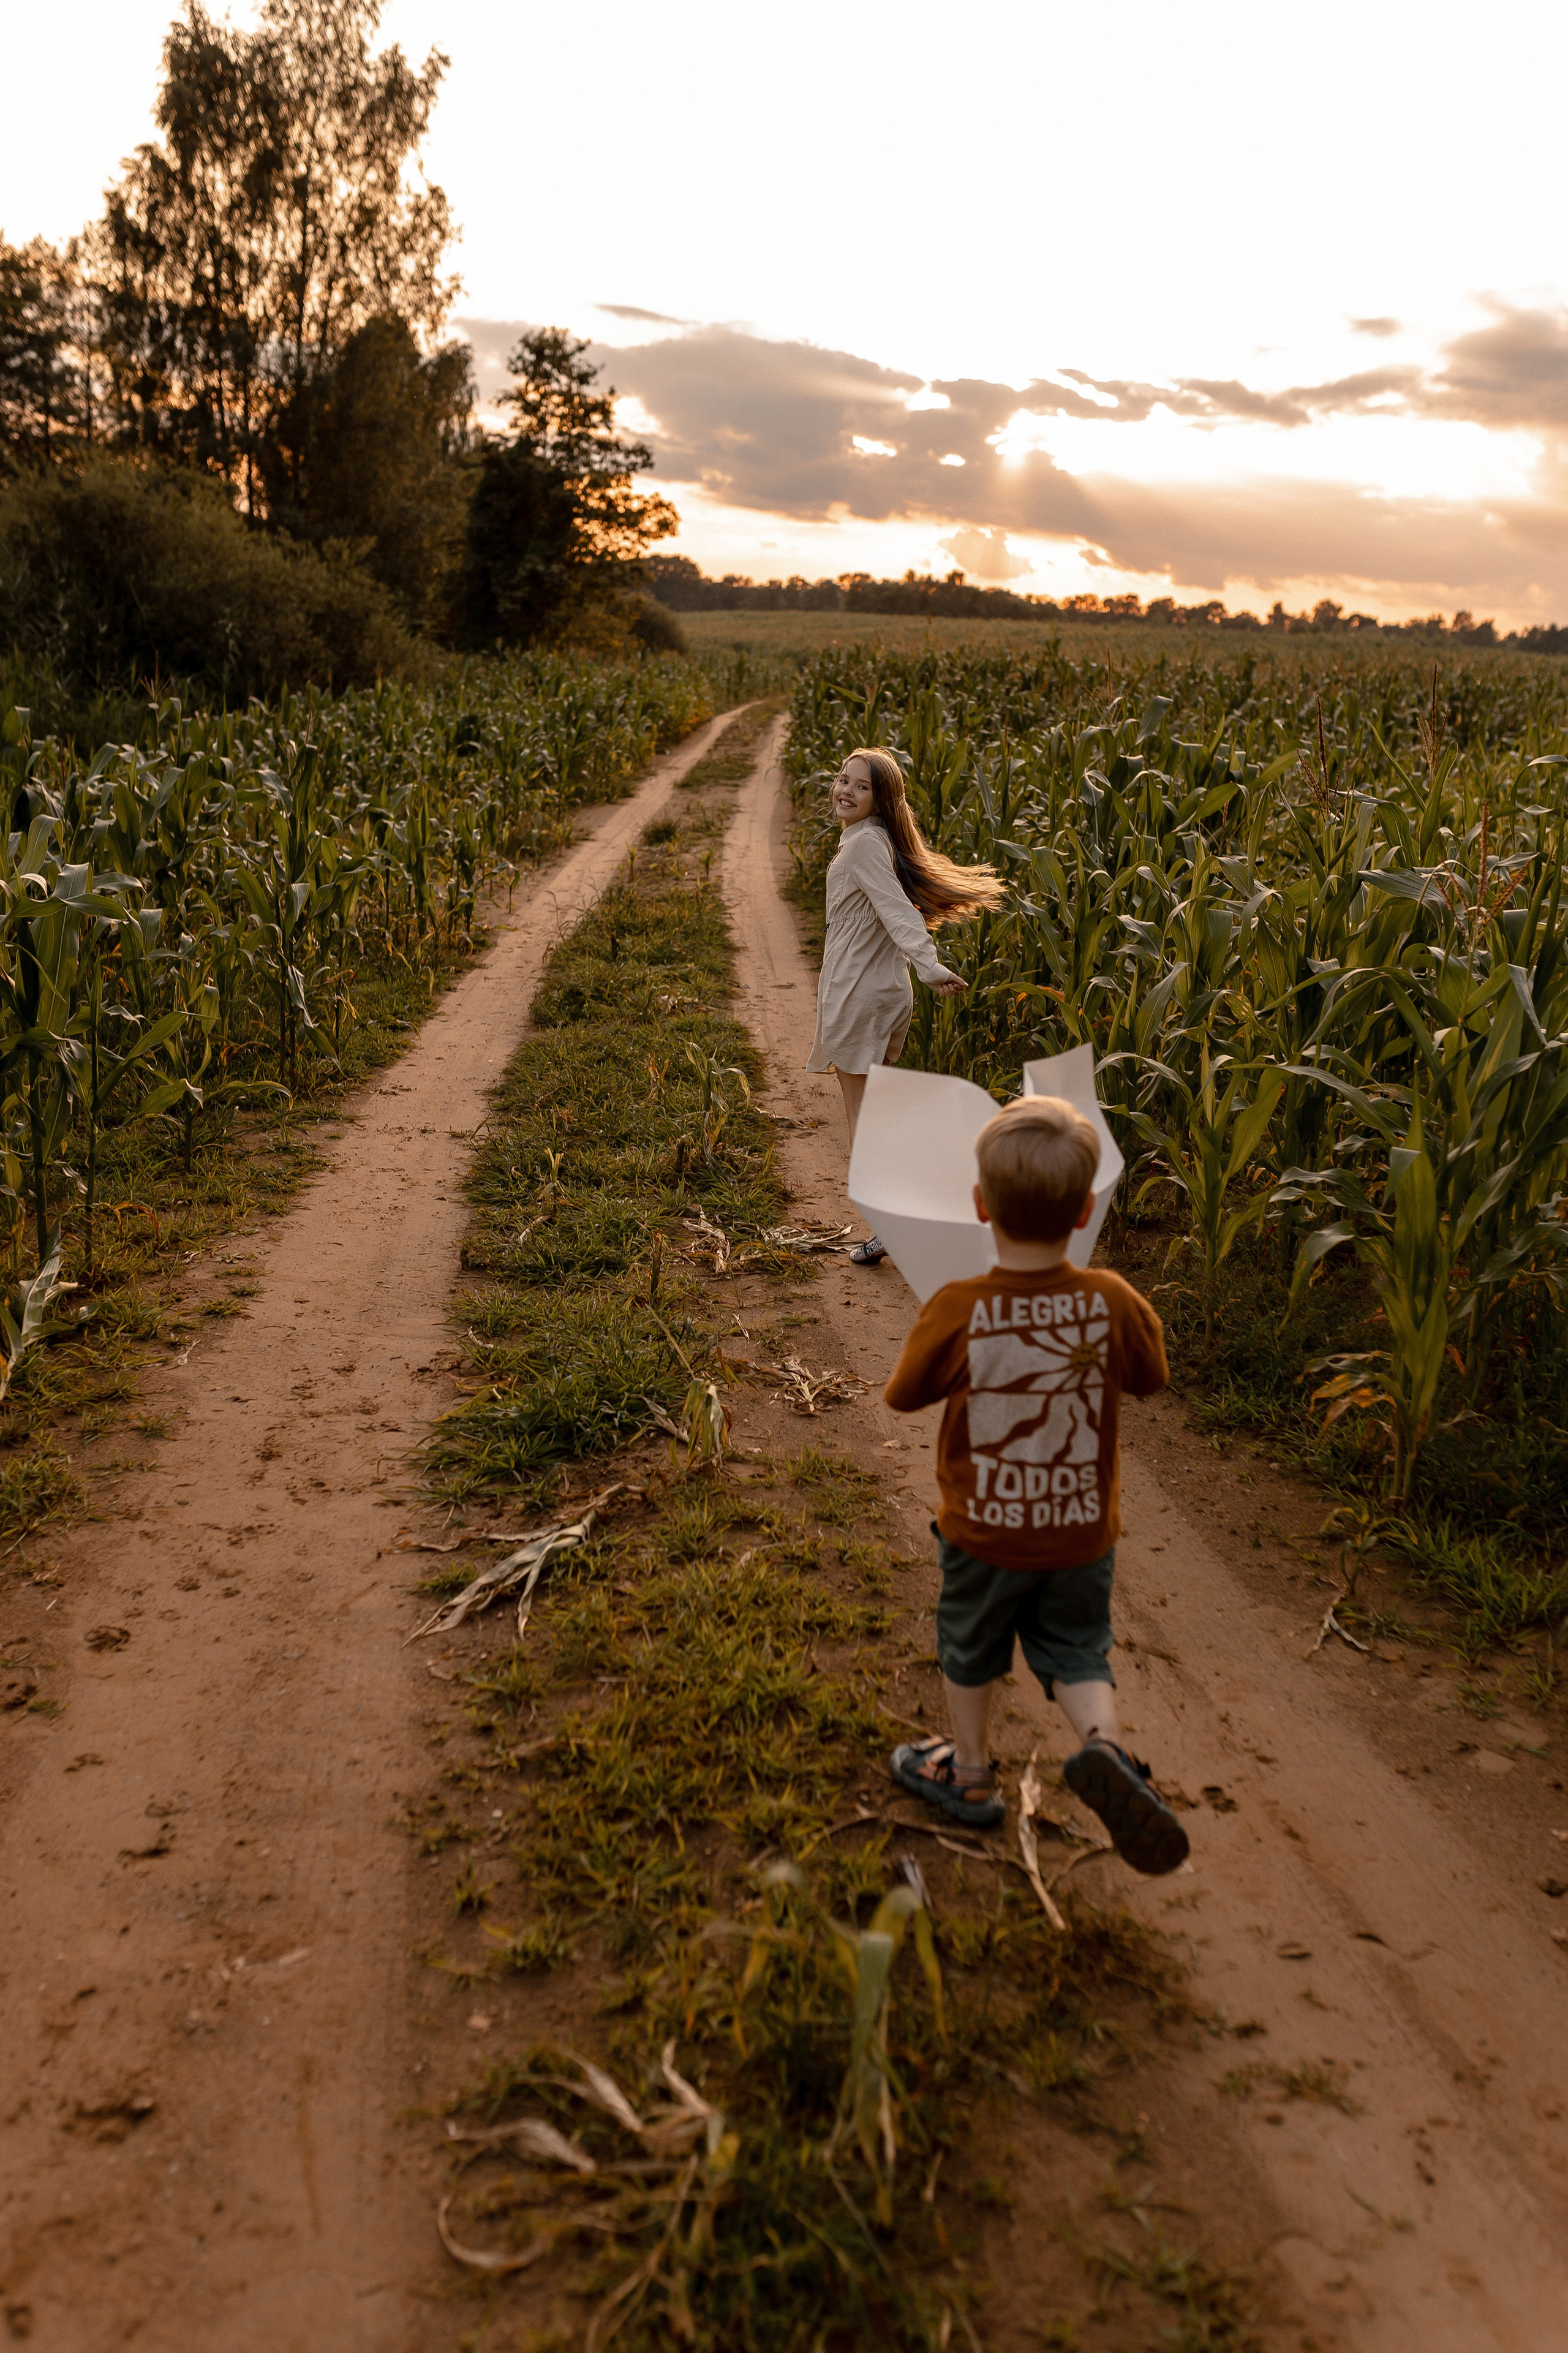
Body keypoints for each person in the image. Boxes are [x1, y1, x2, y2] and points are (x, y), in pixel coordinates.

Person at [881, 1094, 1189, 1875]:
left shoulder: (959, 1306)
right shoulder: (1112, 1299)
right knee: (1077, 1647)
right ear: (1085, 1209)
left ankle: (968, 1772)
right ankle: (1105, 1746)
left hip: (983, 1532)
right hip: (1079, 1533)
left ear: (980, 1204)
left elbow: (903, 1395)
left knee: (969, 1645)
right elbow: (1151, 1377)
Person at [805, 747, 1003, 1266]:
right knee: (881, 1113)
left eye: (862, 786)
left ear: (882, 798)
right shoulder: (872, 839)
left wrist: (929, 965)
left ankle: (896, 1224)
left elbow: (898, 912)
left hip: (860, 993)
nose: (846, 790)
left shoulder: (864, 846)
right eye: (843, 779)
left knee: (864, 1117)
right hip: (878, 990)